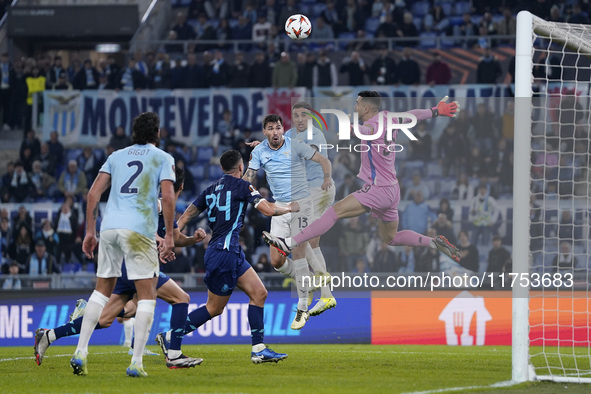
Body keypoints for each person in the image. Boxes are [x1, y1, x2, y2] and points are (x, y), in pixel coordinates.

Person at [34, 167, 206, 369]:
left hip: (127, 266)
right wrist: (157, 239)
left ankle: (49, 335)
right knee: (181, 299)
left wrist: (193, 239)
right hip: (138, 264)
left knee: (107, 318)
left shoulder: (165, 208)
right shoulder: (158, 204)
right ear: (182, 187)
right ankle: (174, 354)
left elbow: (175, 238)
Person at [264, 92, 462, 267]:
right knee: (391, 238)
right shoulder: (390, 118)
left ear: (366, 108)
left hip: (378, 189)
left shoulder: (370, 127)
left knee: (333, 213)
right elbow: (414, 115)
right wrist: (436, 110)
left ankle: (288, 243)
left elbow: (364, 131)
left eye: (357, 103)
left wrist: (346, 127)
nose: (355, 106)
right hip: (393, 189)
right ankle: (433, 242)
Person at [68, 112, 176, 378]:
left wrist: (90, 232)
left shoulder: (116, 156)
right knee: (147, 294)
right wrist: (170, 236)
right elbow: (168, 196)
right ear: (157, 133)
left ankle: (81, 351)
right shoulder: (163, 158)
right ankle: (136, 361)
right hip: (139, 229)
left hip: (110, 228)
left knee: (101, 290)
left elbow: (93, 193)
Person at [172, 150, 294, 363]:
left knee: (259, 293)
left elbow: (187, 214)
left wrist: (173, 236)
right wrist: (289, 208)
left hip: (229, 252)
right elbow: (266, 210)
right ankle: (171, 337)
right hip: (224, 254)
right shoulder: (243, 186)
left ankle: (258, 349)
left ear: (221, 168)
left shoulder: (209, 190)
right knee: (214, 308)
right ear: (240, 168)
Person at [242, 114, 333, 330]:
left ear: (283, 129)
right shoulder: (259, 151)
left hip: (301, 203)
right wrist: (239, 189)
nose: (275, 132)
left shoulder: (296, 146)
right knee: (276, 261)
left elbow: (323, 159)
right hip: (279, 206)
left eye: (278, 127)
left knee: (299, 253)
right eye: (271, 128)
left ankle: (302, 307)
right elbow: (250, 176)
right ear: (265, 132)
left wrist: (327, 177)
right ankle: (311, 281)